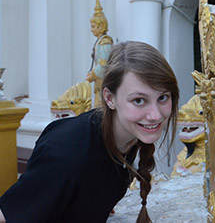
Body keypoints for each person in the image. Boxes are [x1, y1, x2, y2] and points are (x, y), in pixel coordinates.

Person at [0, 41, 179, 223]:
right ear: (109, 98)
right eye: (139, 100)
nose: (155, 115)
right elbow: (6, 215)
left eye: (163, 98)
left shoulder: (128, 134)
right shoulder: (67, 155)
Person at [86, 0, 113, 107]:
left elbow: (103, 64)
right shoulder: (100, 41)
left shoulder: (105, 42)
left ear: (101, 26)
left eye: (93, 26)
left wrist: (92, 75)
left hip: (103, 80)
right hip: (99, 81)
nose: (91, 29)